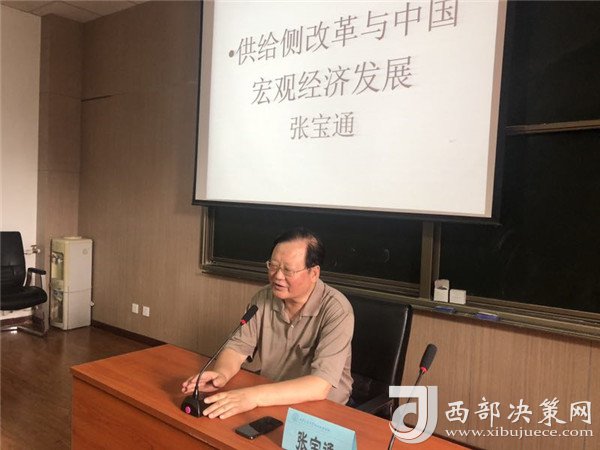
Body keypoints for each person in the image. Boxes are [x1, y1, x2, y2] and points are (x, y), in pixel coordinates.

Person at [181, 227, 354, 419]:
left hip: (322, 411)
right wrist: (221, 374)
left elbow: (319, 386)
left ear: (314, 273)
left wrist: (252, 396)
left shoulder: (337, 310)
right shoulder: (263, 299)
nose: (278, 276)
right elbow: (237, 348)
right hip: (272, 398)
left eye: (288, 270)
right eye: (273, 266)